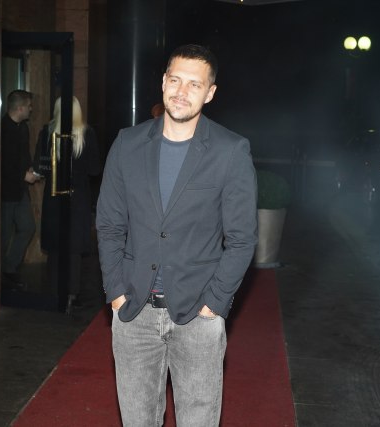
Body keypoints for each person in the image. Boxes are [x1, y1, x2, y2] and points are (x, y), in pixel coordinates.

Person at [96, 44, 258, 426]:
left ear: (210, 93)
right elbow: (109, 225)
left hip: (198, 316)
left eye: (194, 84)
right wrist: (116, 292)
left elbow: (242, 239)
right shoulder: (127, 143)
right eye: (175, 80)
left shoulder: (230, 150)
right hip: (134, 312)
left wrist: (214, 304)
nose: (182, 92)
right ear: (163, 82)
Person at [34, 96, 100, 313]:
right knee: (74, 248)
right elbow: (94, 168)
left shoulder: (47, 132)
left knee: (56, 247)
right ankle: (72, 293)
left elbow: (40, 165)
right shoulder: (86, 133)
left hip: (54, 195)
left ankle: (55, 292)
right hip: (78, 197)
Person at [1, 89, 38, 289]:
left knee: (27, 227)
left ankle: (9, 267)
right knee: (3, 235)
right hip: (6, 192)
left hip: (20, 190)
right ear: (20, 108)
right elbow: (3, 162)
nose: (31, 109)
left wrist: (29, 168)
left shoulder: (23, 127)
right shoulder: (2, 128)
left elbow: (23, 154)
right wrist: (23, 175)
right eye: (29, 106)